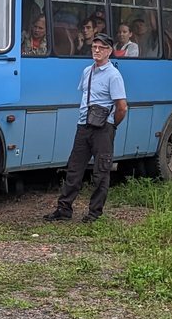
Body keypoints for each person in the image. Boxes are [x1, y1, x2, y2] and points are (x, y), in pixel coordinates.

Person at [44, 32, 128, 223]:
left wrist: (112, 125)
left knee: (101, 172)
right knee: (74, 169)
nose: (96, 51)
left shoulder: (114, 75)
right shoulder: (87, 71)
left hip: (102, 129)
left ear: (109, 51)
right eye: (94, 47)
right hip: (84, 126)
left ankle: (94, 213)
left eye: (101, 48)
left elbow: (122, 106)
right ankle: (64, 209)